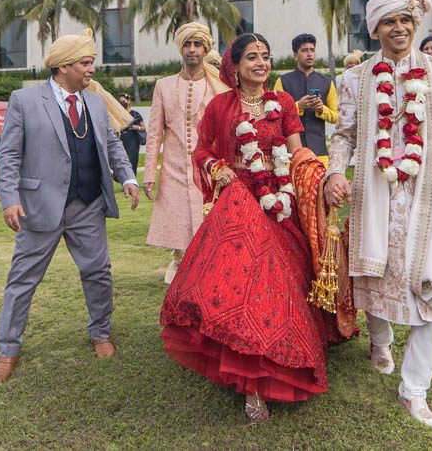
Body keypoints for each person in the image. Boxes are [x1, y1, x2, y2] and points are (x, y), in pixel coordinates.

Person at [160, 33, 352, 423]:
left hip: (279, 201)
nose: (261, 63)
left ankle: (281, 359)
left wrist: (318, 176)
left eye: (265, 56)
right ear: (235, 65)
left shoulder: (282, 103)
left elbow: (297, 150)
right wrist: (219, 168)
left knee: (282, 283)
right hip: (238, 202)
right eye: (252, 57)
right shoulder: (220, 106)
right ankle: (251, 387)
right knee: (241, 288)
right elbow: (203, 150)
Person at [324, 0, 432, 429]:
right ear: (374, 27)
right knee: (375, 275)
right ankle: (380, 339)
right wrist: (335, 172)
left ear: (415, 25)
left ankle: (414, 390)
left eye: (406, 21)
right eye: (389, 22)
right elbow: (343, 135)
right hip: (374, 196)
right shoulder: (355, 78)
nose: (399, 29)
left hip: (429, 197)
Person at [0, 29, 140, 385]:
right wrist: (9, 198)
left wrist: (128, 178)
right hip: (39, 207)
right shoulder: (24, 100)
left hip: (87, 205)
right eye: (86, 63)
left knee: (98, 272)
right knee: (23, 281)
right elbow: (8, 154)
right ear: (64, 66)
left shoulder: (95, 102)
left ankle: (101, 333)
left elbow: (111, 145)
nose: (91, 70)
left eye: (90, 63)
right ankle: (8, 350)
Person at [144, 23, 227, 283]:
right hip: (174, 167)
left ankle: (207, 273)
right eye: (188, 45)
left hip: (207, 170)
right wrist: (149, 174)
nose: (192, 50)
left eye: (197, 45)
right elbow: (154, 132)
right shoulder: (163, 86)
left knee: (208, 224)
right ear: (181, 49)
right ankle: (180, 269)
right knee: (179, 224)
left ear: (205, 49)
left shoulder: (219, 87)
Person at [273, 33, 338, 165]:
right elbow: (274, 114)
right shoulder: (283, 81)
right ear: (295, 55)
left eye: (312, 50)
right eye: (304, 50)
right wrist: (298, 106)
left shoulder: (327, 82)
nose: (309, 54)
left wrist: (321, 109)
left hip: (319, 152)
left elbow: (336, 116)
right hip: (291, 153)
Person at [116, 93, 145, 175]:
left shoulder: (135, 114)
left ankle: (133, 182)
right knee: (122, 162)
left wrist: (136, 127)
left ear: (128, 101)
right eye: (120, 101)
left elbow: (144, 129)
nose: (122, 103)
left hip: (133, 142)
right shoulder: (119, 115)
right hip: (122, 141)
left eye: (123, 101)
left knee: (132, 162)